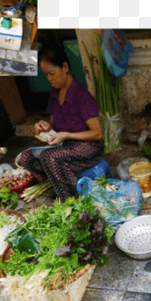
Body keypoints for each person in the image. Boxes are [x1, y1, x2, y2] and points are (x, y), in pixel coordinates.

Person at [18, 42, 104, 199]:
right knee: (26, 157)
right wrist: (45, 127)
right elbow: (54, 124)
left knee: (49, 157)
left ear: (65, 67)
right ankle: (55, 184)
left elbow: (97, 134)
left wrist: (67, 135)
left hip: (88, 148)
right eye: (46, 75)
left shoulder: (82, 97)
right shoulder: (54, 95)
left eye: (52, 73)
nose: (49, 79)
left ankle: (71, 201)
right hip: (65, 146)